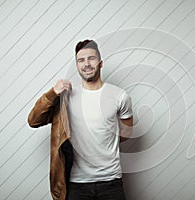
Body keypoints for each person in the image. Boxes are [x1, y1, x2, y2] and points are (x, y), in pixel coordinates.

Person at [28, 39, 133, 200]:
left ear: (100, 63)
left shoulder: (119, 95)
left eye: (91, 58)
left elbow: (126, 132)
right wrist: (53, 92)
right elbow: (33, 120)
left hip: (111, 181)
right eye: (81, 60)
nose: (86, 64)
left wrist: (104, 141)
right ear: (77, 66)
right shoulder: (67, 98)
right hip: (77, 184)